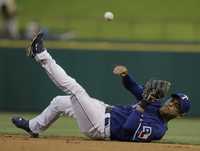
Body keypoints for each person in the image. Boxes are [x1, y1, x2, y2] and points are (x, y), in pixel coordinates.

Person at [11, 32, 191, 142]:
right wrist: (126, 75)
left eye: (176, 106)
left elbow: (128, 128)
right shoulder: (155, 104)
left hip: (99, 127)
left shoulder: (158, 130)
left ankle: (41, 54)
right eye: (173, 100)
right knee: (60, 102)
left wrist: (143, 104)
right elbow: (135, 88)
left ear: (180, 115)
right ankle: (33, 127)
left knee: (75, 90)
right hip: (103, 110)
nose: (171, 104)